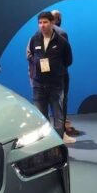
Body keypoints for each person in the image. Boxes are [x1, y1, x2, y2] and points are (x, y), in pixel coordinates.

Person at [27, 11, 73, 140]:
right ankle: (46, 143)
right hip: (38, 85)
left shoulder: (62, 41)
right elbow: (31, 56)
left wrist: (56, 70)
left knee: (58, 117)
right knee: (41, 117)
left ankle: (58, 144)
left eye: (45, 22)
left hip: (55, 85)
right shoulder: (34, 39)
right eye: (40, 23)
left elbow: (68, 61)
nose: (42, 25)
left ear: (52, 23)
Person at [51, 10, 80, 141]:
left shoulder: (36, 35)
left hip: (44, 75)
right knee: (61, 101)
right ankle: (62, 131)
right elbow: (67, 57)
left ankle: (63, 127)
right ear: (57, 19)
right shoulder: (62, 33)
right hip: (59, 73)